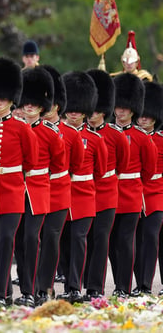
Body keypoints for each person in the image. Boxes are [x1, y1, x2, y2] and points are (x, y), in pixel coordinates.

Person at [0, 57, 37, 307]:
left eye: (2, 99)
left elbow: (31, 161)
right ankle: (3, 292)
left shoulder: (22, 128)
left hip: (13, 192)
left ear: (11, 99)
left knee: (7, 240)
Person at [13, 67, 65, 307]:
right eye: (27, 102)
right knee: (20, 241)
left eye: (35, 103)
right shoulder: (14, 128)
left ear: (42, 105)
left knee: (34, 238)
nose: (30, 106)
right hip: (15, 189)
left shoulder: (51, 133)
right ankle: (26, 289)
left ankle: (41, 287)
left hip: (38, 191)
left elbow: (59, 165)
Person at [35, 65, 84, 305]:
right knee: (34, 238)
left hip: (59, 191)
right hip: (36, 190)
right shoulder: (33, 130)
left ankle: (45, 286)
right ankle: (31, 285)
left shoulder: (72, 134)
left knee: (52, 238)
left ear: (57, 106)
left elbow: (75, 165)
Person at [57, 72, 107, 304]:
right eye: (71, 108)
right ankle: (68, 283)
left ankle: (75, 286)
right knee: (64, 241)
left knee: (79, 239)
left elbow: (101, 170)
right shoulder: (58, 133)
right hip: (62, 194)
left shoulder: (96, 139)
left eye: (78, 109)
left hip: (85, 194)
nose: (74, 112)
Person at [109, 72, 157, 298]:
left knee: (126, 241)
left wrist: (135, 186)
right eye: (118, 106)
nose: (120, 111)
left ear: (132, 109)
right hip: (110, 195)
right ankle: (119, 282)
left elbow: (148, 170)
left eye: (125, 107)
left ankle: (123, 287)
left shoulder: (142, 137)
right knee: (111, 244)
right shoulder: (106, 134)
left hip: (130, 195)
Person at [83, 69, 129, 300]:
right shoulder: (78, 133)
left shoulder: (116, 135)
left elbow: (122, 164)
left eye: (97, 111)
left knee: (101, 238)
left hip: (107, 193)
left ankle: (95, 287)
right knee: (87, 239)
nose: (92, 115)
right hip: (84, 192)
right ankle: (81, 282)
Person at [132, 81, 163, 296]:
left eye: (147, 115)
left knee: (153, 237)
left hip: (158, 192)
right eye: (141, 114)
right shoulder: (131, 137)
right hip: (136, 193)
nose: (143, 118)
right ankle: (142, 284)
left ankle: (147, 283)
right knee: (137, 240)